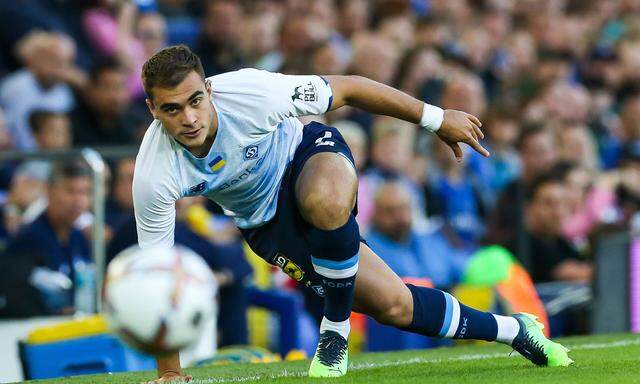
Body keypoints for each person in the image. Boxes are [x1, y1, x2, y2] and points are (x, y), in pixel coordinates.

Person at [133, 45, 572, 382]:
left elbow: (350, 88)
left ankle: (335, 330)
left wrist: (437, 119)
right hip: (267, 224)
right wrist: (170, 373)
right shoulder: (154, 174)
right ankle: (515, 330)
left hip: (308, 158)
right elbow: (157, 275)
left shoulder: (253, 94)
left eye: (195, 100)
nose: (189, 118)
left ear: (209, 90)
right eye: (171, 109)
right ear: (153, 110)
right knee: (396, 306)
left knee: (324, 200)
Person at [0, 161, 92, 317]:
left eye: (84, 192)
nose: (78, 201)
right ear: (50, 191)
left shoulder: (79, 238)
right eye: (70, 191)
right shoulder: (28, 240)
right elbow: (14, 297)